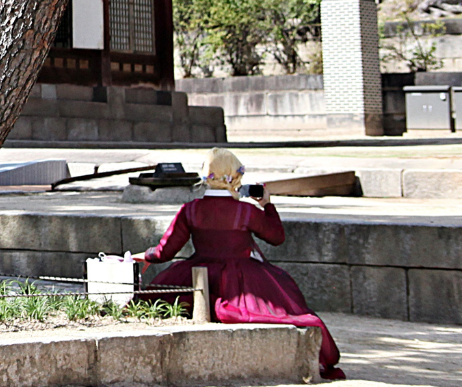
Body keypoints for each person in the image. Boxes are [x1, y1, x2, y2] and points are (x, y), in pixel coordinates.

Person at [138, 148, 343, 380]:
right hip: (243, 277)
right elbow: (277, 237)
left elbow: (166, 251)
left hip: (199, 273)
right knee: (286, 304)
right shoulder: (246, 211)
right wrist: (267, 205)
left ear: (206, 176)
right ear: (236, 177)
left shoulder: (190, 210)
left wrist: (147, 255)